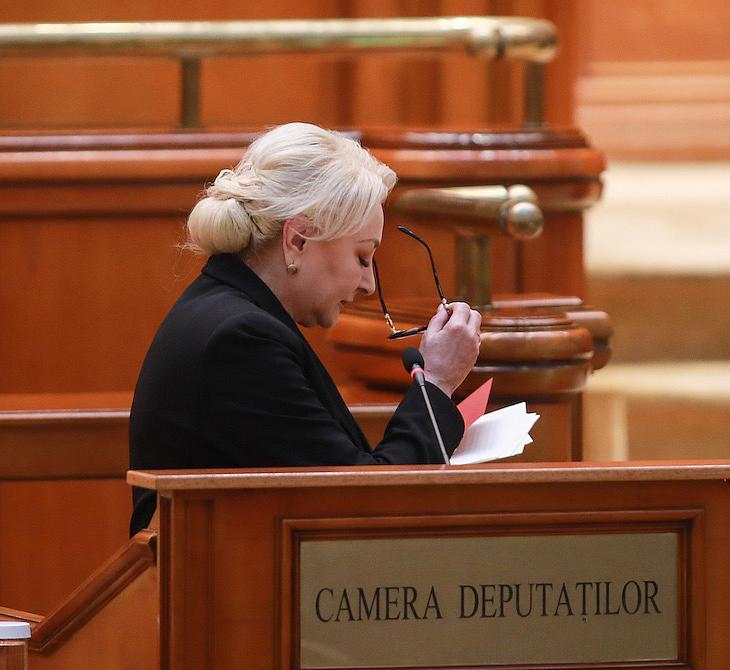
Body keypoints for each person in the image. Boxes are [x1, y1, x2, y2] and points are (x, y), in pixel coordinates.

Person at [128, 123, 481, 535]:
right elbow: (362, 504)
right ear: (297, 241)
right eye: (363, 258)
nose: (368, 284)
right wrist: (436, 383)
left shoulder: (231, 313)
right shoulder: (241, 341)